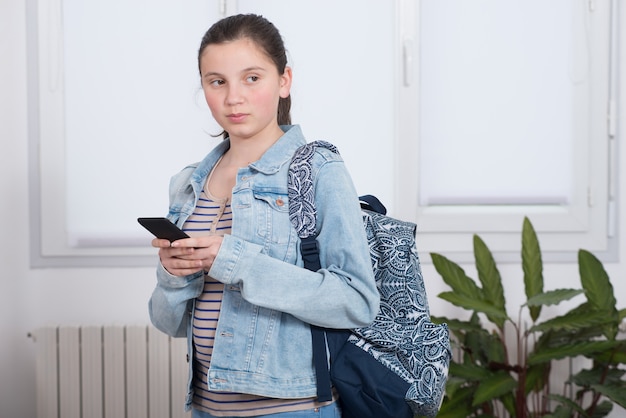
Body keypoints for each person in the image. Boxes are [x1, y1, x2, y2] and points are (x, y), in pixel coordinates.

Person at [148, 13, 379, 418]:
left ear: (284, 80)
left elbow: (356, 302)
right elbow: (170, 324)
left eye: (251, 78)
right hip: (206, 406)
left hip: (292, 407)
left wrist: (235, 262)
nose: (233, 97)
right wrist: (173, 277)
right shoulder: (188, 185)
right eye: (216, 81)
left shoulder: (318, 171)